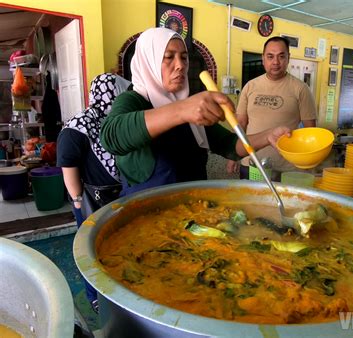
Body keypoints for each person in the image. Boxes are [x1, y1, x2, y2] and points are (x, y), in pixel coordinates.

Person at [100, 27, 290, 195]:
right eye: (169, 57)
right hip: (148, 216)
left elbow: (230, 145)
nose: (180, 65)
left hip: (193, 207)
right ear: (148, 61)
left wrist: (269, 136)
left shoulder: (191, 104)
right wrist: (182, 110)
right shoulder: (133, 99)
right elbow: (111, 137)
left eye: (184, 57)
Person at [57, 72, 130, 313]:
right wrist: (78, 200)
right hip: (91, 200)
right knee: (90, 250)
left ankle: (118, 290)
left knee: (116, 246)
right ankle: (95, 297)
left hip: (118, 196)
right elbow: (68, 163)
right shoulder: (79, 124)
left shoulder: (118, 121)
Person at [226, 36, 317, 180]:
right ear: (263, 58)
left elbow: (310, 131)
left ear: (288, 58)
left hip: (285, 168)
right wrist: (232, 156)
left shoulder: (301, 89)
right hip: (251, 162)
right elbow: (241, 123)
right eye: (270, 56)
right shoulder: (250, 86)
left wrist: (308, 163)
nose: (275, 62)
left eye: (281, 56)